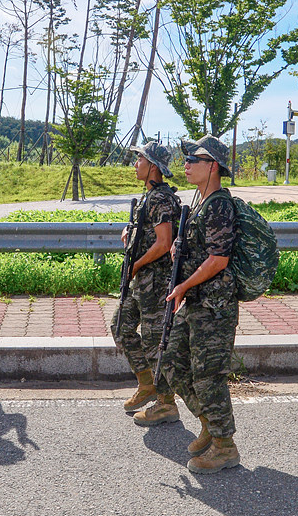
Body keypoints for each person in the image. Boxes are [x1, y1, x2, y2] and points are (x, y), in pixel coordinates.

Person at [160, 134, 240, 475]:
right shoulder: (198, 201)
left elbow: (219, 259)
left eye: (195, 160)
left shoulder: (220, 204)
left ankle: (225, 445)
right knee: (172, 363)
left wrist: (183, 285)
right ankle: (209, 422)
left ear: (214, 166)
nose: (187, 164)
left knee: (209, 377)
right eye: (187, 159)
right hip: (195, 301)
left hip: (214, 307)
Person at [110, 142, 181, 424]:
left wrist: (136, 265)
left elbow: (165, 243)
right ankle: (147, 384)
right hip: (142, 282)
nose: (135, 163)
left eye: (139, 159)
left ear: (153, 165)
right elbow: (152, 234)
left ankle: (166, 403)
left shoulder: (161, 199)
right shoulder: (149, 197)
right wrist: (132, 231)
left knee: (155, 344)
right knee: (121, 328)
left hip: (156, 283)